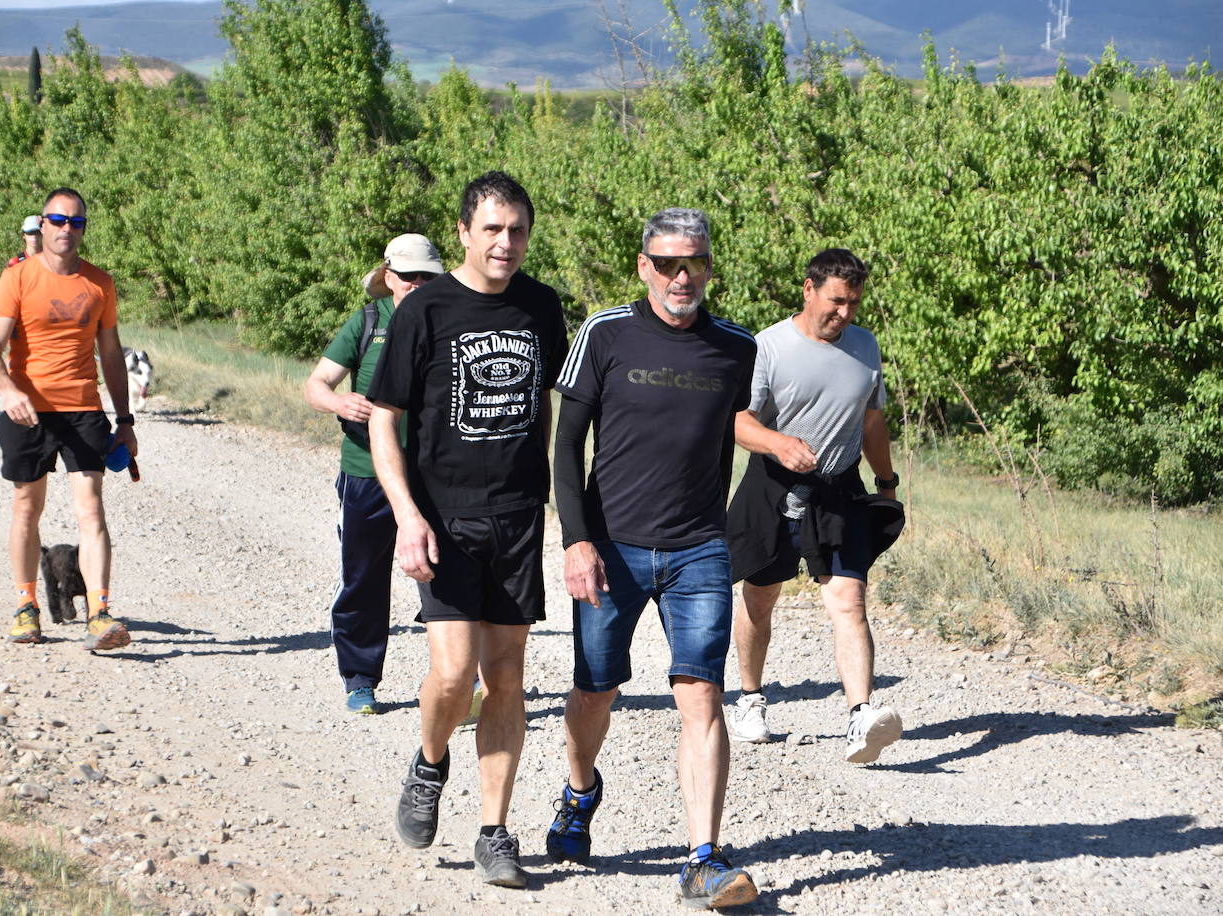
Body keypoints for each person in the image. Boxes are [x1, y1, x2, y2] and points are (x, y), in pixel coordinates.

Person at [545, 208, 759, 910]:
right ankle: (580, 790)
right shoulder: (605, 333)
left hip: (700, 549)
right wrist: (576, 540)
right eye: (667, 263)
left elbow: (754, 424)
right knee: (595, 692)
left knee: (701, 695)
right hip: (611, 547)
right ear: (643, 266)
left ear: (708, 268)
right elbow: (566, 441)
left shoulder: (737, 347)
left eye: (693, 262)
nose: (681, 276)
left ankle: (704, 857)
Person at [367, 171, 567, 890]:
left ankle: (494, 831)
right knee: (453, 674)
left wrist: (558, 507)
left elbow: (553, 410)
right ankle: (428, 763)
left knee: (506, 676)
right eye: (492, 229)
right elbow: (385, 416)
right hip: (443, 516)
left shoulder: (542, 307)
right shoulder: (425, 310)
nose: (505, 243)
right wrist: (407, 516)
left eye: (517, 230)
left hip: (516, 516)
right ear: (463, 232)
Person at [723, 248, 905, 764]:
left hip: (839, 489)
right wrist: (778, 443)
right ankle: (751, 699)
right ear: (808, 289)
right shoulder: (769, 346)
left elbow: (872, 423)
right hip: (772, 484)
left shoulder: (866, 348)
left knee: (849, 600)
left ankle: (860, 717)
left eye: (853, 304)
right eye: (836, 301)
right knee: (760, 598)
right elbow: (739, 421)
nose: (844, 314)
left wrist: (886, 483)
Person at [0, 188, 136, 652]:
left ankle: (99, 613)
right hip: (28, 411)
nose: (67, 228)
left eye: (77, 222)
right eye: (58, 220)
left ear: (84, 228)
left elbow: (111, 354)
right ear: (42, 226)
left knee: (91, 510)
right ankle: (26, 607)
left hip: (84, 409)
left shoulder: (99, 284)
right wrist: (9, 391)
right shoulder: (18, 279)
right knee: (28, 507)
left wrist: (125, 419)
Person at [303, 233, 444, 715]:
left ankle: (455, 686)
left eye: (428, 276)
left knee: (445, 580)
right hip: (366, 472)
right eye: (408, 276)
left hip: (432, 475)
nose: (417, 285)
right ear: (388, 276)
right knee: (364, 576)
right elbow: (316, 384)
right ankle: (360, 678)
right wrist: (340, 401)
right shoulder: (367, 321)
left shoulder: (447, 320)